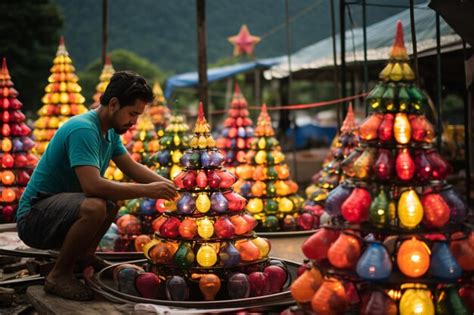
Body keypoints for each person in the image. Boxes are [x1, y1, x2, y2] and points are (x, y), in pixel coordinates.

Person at [17, 71, 178, 301]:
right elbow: (92, 186)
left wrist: (170, 186)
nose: (134, 122)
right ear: (114, 104)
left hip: (60, 213)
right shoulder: (84, 129)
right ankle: (58, 275)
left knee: (110, 205)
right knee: (95, 205)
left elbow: (131, 167)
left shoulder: (110, 131)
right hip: (34, 218)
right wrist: (148, 191)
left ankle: (83, 257)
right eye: (132, 114)